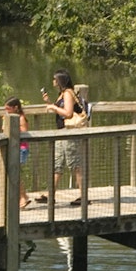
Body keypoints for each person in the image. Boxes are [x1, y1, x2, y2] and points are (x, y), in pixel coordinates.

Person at [42, 70, 86, 206]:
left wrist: (53, 108)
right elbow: (62, 109)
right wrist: (50, 102)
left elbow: (67, 113)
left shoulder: (68, 93)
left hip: (69, 132)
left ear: (60, 80)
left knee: (75, 165)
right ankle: (51, 194)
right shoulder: (62, 94)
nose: (53, 81)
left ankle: (83, 196)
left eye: (55, 79)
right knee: (58, 163)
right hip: (62, 132)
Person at [5, 97, 31, 209]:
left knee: (16, 173)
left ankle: (22, 197)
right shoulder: (8, 117)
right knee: (14, 173)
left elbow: (24, 132)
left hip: (21, 148)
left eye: (8, 108)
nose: (7, 111)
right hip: (13, 147)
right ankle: (24, 196)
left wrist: (14, 128)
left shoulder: (21, 118)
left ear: (16, 108)